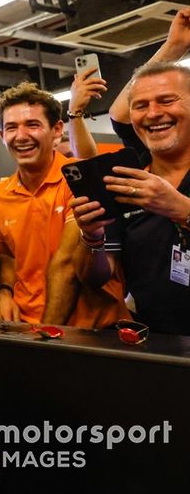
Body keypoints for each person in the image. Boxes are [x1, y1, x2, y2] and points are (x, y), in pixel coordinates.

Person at [61, 60, 190, 334]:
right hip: (156, 347)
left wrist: (182, 209)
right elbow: (95, 277)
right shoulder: (126, 182)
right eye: (140, 106)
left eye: (167, 100)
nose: (153, 114)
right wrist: (92, 238)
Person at [0, 82, 126, 327]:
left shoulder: (80, 183)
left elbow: (67, 268)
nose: (21, 136)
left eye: (33, 125)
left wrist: (45, 340)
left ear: (57, 130)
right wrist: (5, 290)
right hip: (28, 327)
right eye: (11, 127)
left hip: (90, 331)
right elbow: (9, 254)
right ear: (1, 136)